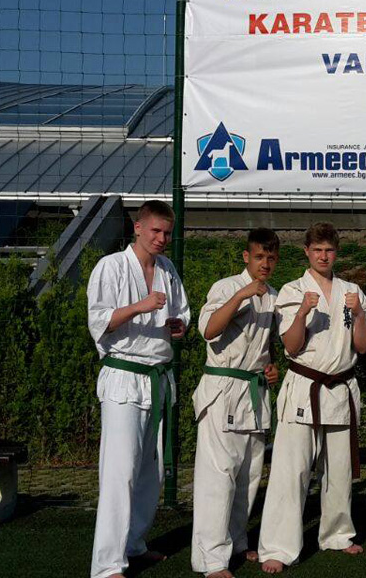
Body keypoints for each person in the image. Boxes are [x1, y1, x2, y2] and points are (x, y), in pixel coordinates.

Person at [258, 222, 366, 573]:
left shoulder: (352, 291)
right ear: (307, 252)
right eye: (318, 250)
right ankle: (278, 546)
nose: (324, 257)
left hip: (341, 387)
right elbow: (292, 345)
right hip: (304, 386)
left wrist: (359, 314)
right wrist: (302, 313)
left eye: (329, 250)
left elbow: (363, 346)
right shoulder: (293, 290)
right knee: (291, 471)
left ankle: (337, 534)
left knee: (339, 470)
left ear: (336, 252)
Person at [86, 200, 191, 578]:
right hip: (123, 377)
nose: (161, 238)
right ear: (138, 228)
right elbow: (99, 321)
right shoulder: (111, 267)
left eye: (167, 232)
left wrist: (179, 327)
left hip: (157, 378)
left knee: (151, 471)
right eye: (155, 231)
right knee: (120, 472)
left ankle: (133, 544)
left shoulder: (167, 270)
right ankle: (106, 565)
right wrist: (139, 306)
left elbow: (182, 314)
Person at [191, 228, 284, 578]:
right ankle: (211, 560)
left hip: (254, 391)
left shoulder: (273, 295)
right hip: (222, 390)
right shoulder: (226, 287)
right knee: (219, 476)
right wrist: (242, 294)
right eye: (259, 257)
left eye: (271, 258)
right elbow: (209, 330)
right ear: (246, 257)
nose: (265, 264)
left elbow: (265, 345)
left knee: (248, 474)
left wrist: (270, 367)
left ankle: (236, 541)